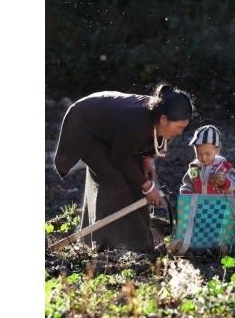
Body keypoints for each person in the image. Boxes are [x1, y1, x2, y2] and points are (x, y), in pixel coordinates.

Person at [53, 82, 197, 252]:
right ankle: (103, 245)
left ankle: (137, 245)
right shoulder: (135, 124)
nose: (180, 133)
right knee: (113, 178)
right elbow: (119, 160)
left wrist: (146, 161)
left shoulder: (162, 117)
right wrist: (148, 186)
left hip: (114, 130)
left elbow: (151, 143)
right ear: (164, 119)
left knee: (135, 179)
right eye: (179, 127)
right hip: (86, 125)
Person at [180, 125, 235, 195]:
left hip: (219, 204)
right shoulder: (194, 168)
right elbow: (188, 185)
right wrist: (186, 197)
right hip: (199, 204)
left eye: (207, 154)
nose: (203, 158)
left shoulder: (223, 167)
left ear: (217, 151)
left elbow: (234, 182)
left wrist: (224, 182)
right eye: (199, 154)